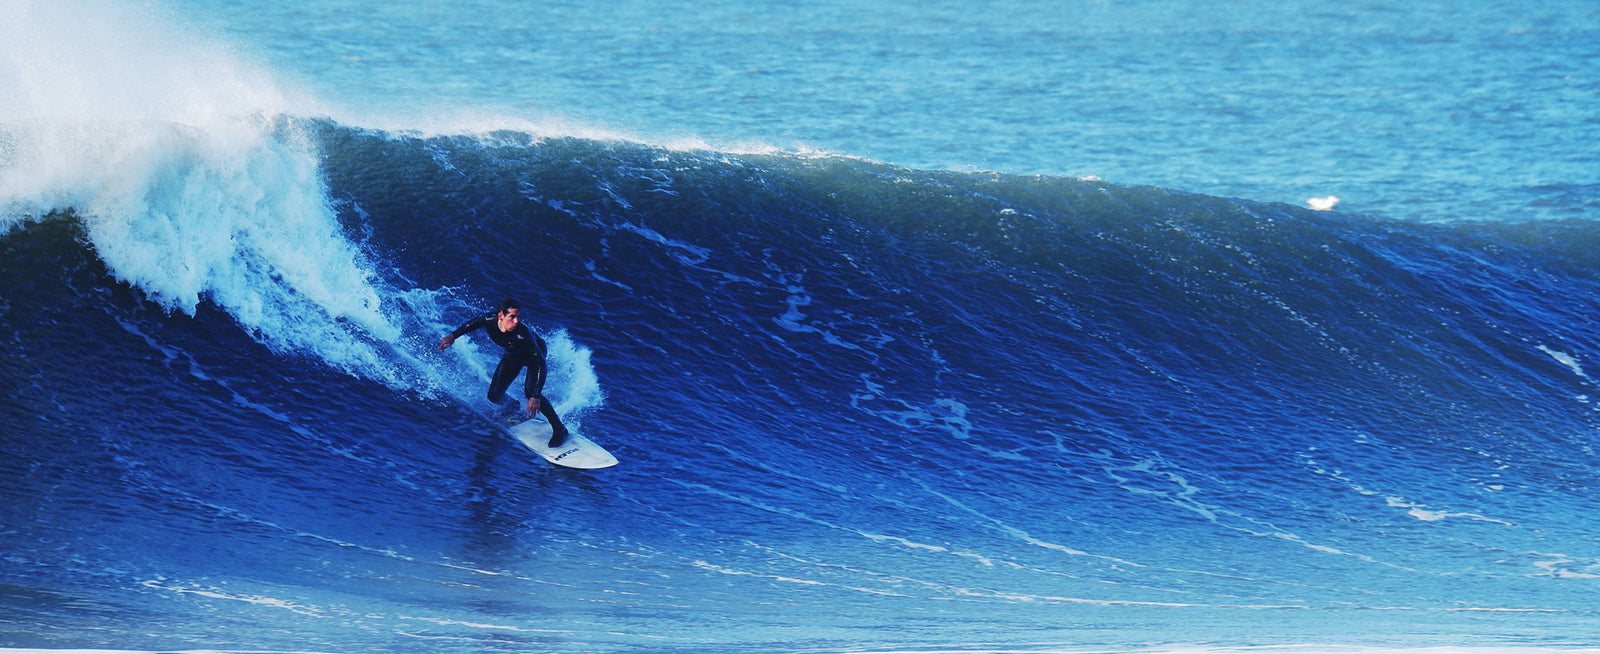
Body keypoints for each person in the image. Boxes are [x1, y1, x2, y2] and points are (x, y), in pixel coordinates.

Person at [439, 298, 569, 447]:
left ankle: (560, 429)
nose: (516, 321)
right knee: (494, 395)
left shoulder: (523, 335)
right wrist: (453, 336)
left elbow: (540, 363)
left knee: (530, 393)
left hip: (534, 355)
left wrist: (535, 395)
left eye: (518, 317)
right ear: (501, 316)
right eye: (512, 317)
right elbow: (475, 322)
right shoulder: (490, 319)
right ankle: (512, 406)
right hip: (514, 353)